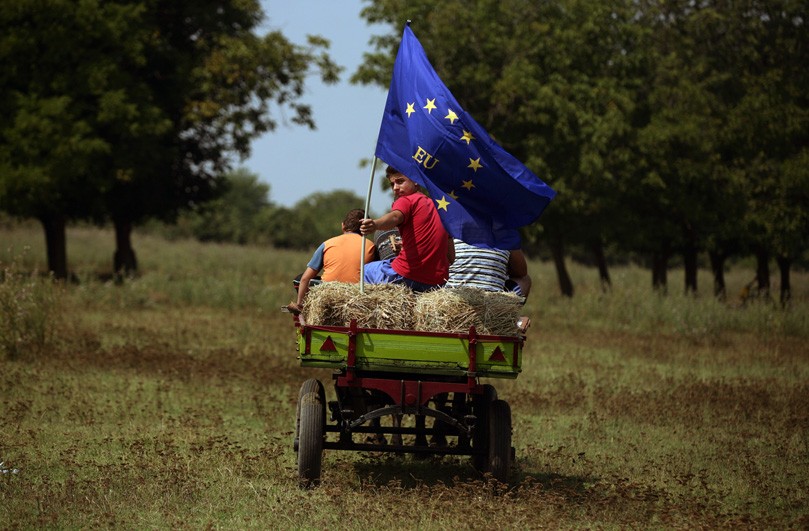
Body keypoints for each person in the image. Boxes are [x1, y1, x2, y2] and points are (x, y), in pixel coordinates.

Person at [360, 166, 454, 292]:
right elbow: (451, 258)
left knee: (366, 270)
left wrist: (375, 224)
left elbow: (394, 217)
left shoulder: (407, 200)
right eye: (392, 184)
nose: (395, 188)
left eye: (400, 181)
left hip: (406, 276)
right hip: (436, 283)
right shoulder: (442, 209)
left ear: (416, 180)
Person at [286, 208, 376, 315]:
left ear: (343, 226)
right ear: (366, 229)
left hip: (328, 292)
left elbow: (305, 278)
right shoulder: (371, 246)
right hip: (357, 293)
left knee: (299, 279)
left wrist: (300, 304)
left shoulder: (328, 244)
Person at [445, 239, 532, 298]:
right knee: (525, 280)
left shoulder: (451, 229)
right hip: (493, 308)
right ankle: (509, 316)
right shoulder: (505, 234)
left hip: (453, 301)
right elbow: (521, 272)